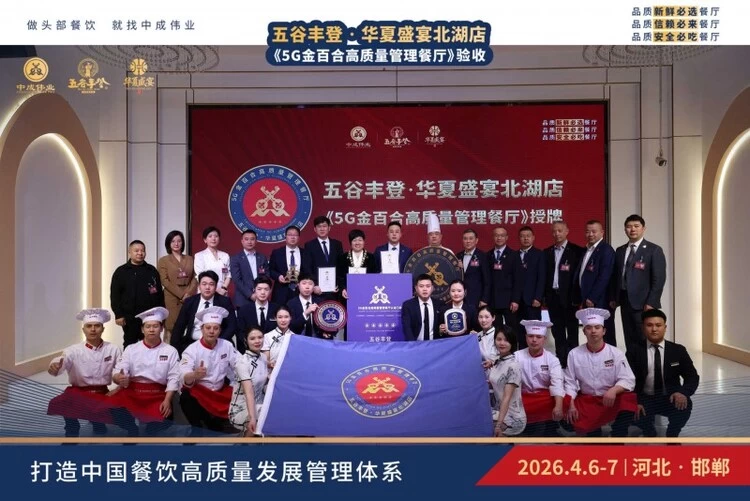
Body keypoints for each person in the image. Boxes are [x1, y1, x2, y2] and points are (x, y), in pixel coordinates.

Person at [47, 308, 121, 437]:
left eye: (97, 326)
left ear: (103, 329)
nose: (93, 329)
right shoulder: (73, 350)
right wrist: (54, 366)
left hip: (102, 392)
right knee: (63, 402)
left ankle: (98, 421)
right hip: (78, 392)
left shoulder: (113, 349)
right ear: (83, 329)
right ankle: (72, 429)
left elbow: (120, 369)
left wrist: (118, 386)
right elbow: (62, 361)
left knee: (123, 415)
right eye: (89, 326)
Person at [564, 308, 637, 437]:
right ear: (584, 331)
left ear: (603, 331)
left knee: (628, 399)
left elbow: (628, 379)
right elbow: (570, 384)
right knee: (589, 435)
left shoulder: (616, 353)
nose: (593, 331)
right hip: (587, 400)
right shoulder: (574, 354)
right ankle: (594, 433)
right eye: (589, 328)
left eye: (597, 327)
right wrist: (570, 405)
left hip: (610, 399)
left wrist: (614, 390)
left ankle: (618, 435)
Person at [627, 309, 699, 437]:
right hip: (644, 398)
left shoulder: (678, 350)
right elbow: (627, 379)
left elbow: (692, 377)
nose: (654, 329)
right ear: (643, 328)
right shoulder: (634, 350)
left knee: (685, 404)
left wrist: (683, 392)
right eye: (649, 325)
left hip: (670, 397)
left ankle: (672, 434)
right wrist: (635, 401)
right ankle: (649, 431)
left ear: (665, 328)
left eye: (658, 325)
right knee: (631, 409)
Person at [110, 307, 180, 437]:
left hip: (157, 393)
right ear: (142, 329)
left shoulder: (170, 351)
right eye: (148, 326)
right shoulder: (131, 349)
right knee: (111, 406)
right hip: (133, 391)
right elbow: (119, 370)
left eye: (155, 326)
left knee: (166, 420)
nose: (151, 329)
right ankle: (132, 429)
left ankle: (150, 428)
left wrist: (167, 400)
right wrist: (119, 377)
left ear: (161, 328)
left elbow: (174, 378)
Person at [609, 215, 667, 355]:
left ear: (643, 228)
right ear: (625, 230)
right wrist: (614, 298)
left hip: (644, 303)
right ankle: (631, 363)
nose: (632, 229)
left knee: (643, 337)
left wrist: (651, 302)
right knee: (629, 336)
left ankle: (645, 365)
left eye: (636, 226)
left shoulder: (653, 250)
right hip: (625, 301)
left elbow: (659, 279)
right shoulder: (620, 250)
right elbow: (616, 276)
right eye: (629, 227)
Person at [179, 306, 239, 436]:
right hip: (201, 392)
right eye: (208, 328)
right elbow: (184, 375)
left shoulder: (227, 345)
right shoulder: (192, 350)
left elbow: (240, 364)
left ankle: (216, 424)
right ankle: (196, 429)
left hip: (220, 391)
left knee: (240, 393)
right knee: (185, 398)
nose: (211, 331)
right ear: (202, 329)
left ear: (220, 330)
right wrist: (194, 374)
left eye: (215, 328)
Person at [110, 240, 165, 347]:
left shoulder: (151, 270)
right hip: (129, 317)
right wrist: (118, 314)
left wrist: (161, 313)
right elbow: (115, 295)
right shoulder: (121, 271)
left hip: (150, 316)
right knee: (130, 343)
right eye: (136, 251)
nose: (140, 253)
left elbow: (159, 294)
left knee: (151, 343)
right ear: (129, 252)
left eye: (142, 250)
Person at [516, 320, 565, 437]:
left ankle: (551, 427)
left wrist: (558, 407)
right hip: (525, 397)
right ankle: (527, 427)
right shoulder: (516, 356)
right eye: (531, 336)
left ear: (544, 339)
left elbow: (557, 384)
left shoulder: (552, 359)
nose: (534, 340)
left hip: (544, 398)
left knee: (565, 399)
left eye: (538, 337)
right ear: (526, 337)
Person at [544, 221, 583, 368]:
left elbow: (579, 277)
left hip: (570, 298)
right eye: (554, 231)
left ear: (567, 231)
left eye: (560, 231)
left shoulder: (577, 251)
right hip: (552, 297)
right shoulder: (546, 252)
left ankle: (573, 363)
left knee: (572, 331)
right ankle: (560, 362)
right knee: (557, 331)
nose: (557, 234)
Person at [171, 271, 237, 355]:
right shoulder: (190, 302)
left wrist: (218, 342)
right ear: (199, 286)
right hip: (193, 343)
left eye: (211, 284)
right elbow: (179, 326)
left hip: (218, 344)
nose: (207, 287)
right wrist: (175, 349)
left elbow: (232, 326)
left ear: (216, 286)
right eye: (204, 284)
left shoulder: (224, 301)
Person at [572, 220, 616, 346]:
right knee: (592, 333)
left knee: (605, 333)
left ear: (602, 232)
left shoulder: (606, 250)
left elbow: (604, 276)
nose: (590, 234)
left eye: (594, 231)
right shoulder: (587, 249)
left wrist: (593, 297)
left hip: (599, 301)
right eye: (587, 231)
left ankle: (610, 358)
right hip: (587, 300)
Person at [157, 230, 197, 343]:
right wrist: (182, 294)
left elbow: (195, 277)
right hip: (171, 297)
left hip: (189, 297)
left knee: (188, 326)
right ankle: (169, 351)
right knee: (171, 327)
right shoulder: (163, 260)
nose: (176, 243)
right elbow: (164, 280)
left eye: (179, 241)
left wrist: (189, 293)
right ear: (168, 243)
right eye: (173, 241)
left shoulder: (190, 259)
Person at [229, 327, 267, 437]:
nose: (257, 341)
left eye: (260, 337)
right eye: (252, 338)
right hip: (241, 408)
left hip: (260, 403)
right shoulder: (242, 362)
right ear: (246, 341)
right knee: (263, 417)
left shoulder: (263, 357)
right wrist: (252, 417)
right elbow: (249, 393)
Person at [489, 326, 527, 437]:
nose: (502, 343)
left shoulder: (513, 366)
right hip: (499, 412)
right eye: (499, 339)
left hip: (512, 418)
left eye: (506, 340)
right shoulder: (497, 361)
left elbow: (506, 398)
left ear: (512, 343)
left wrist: (499, 425)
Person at [488, 226, 522, 331]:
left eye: (502, 236)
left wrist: (515, 300)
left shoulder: (514, 255)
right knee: (495, 329)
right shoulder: (488, 255)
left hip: (509, 300)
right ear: (493, 237)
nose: (499, 238)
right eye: (496, 235)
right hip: (492, 300)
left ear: (507, 237)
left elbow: (518, 279)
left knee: (511, 330)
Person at [517, 226, 545, 348]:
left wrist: (538, 297)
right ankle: (521, 355)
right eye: (523, 236)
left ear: (533, 238)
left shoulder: (539, 254)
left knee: (534, 331)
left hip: (533, 300)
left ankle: (535, 354)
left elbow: (542, 278)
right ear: (519, 238)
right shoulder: (514, 255)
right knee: (519, 331)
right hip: (518, 302)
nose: (526, 238)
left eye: (528, 236)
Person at [304, 215, 344, 299]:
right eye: (319, 227)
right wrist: (314, 285)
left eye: (324, 226)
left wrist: (339, 284)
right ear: (315, 229)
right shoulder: (309, 245)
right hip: (317, 290)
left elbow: (341, 267)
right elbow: (307, 267)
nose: (322, 229)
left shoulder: (337, 244)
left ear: (329, 228)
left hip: (335, 290)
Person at [269, 226, 310, 305]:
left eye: (295, 235)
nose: (292, 237)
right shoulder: (277, 253)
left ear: (299, 237)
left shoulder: (305, 253)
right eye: (290, 235)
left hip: (300, 291)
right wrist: (278, 276)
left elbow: (309, 271)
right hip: (281, 292)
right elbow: (270, 270)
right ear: (285, 237)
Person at [229, 229, 269, 309]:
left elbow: (267, 276)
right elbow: (237, 280)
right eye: (246, 239)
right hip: (243, 299)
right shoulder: (236, 258)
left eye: (252, 239)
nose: (249, 242)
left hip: (261, 297)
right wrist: (250, 294)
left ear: (256, 241)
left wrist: (260, 292)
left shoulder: (262, 257)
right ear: (242, 241)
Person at [336, 228, 380, 301]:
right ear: (350, 242)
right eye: (354, 240)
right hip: (347, 294)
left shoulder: (371, 257)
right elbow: (340, 276)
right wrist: (343, 289)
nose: (357, 243)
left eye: (360, 240)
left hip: (367, 293)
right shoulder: (343, 257)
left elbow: (374, 275)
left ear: (364, 241)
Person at [455, 228, 490, 309]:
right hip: (459, 297)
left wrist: (484, 299)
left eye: (471, 238)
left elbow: (487, 281)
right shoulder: (458, 256)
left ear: (476, 240)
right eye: (465, 239)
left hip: (476, 298)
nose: (468, 241)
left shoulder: (482, 256)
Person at [236, 276, 279, 342]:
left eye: (266, 289)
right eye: (259, 289)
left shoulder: (277, 309)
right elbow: (240, 332)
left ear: (270, 290)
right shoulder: (244, 310)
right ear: (254, 290)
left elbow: (281, 331)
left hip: (273, 344)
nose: (262, 292)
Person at [400, 274, 440, 341]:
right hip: (416, 344)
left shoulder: (439, 304)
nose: (425, 289)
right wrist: (413, 345)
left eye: (428, 286)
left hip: (435, 344)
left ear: (432, 288)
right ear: (416, 288)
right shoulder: (408, 305)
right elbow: (407, 328)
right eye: (421, 286)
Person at [287, 274, 329, 338]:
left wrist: (326, 332)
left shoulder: (320, 302)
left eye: (310, 284)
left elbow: (329, 323)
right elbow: (291, 327)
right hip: (298, 338)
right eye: (304, 283)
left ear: (314, 286)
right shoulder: (291, 304)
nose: (307, 287)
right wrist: (306, 313)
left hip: (317, 338)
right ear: (298, 285)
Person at [194, 226, 231, 296]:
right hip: (206, 291)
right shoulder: (199, 256)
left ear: (219, 239)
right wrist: (215, 289)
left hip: (222, 292)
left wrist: (223, 288)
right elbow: (200, 275)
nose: (213, 239)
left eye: (216, 236)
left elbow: (228, 275)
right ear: (205, 240)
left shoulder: (225, 255)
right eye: (210, 236)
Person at [262, 305, 297, 371]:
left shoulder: (295, 338)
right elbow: (266, 360)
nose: (283, 320)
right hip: (272, 372)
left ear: (290, 318)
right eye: (280, 317)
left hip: (289, 371)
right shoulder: (267, 336)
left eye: (286, 317)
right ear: (275, 318)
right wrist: (270, 364)